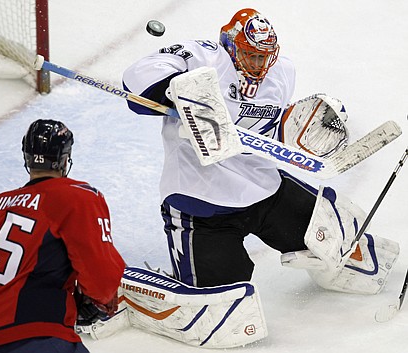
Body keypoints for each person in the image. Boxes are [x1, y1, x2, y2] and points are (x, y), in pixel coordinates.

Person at [122, 8, 399, 293]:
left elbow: (271, 130)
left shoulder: (282, 72)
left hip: (264, 189)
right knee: (220, 298)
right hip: (202, 202)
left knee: (342, 246)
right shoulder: (202, 57)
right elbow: (135, 82)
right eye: (252, 55)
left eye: (265, 56)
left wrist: (299, 129)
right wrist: (178, 91)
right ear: (231, 46)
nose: (259, 63)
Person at [0, 119, 126, 353]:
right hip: (30, 332)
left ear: (27, 158)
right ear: (65, 160)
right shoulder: (77, 197)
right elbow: (102, 277)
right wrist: (96, 302)